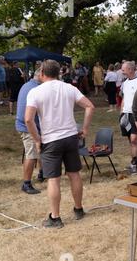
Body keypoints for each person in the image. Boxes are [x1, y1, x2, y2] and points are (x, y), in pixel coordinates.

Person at [25, 60, 95, 228]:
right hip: (70, 137)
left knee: (53, 179)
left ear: (42, 72)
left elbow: (28, 119)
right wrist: (84, 129)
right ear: (59, 72)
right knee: (74, 174)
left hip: (50, 140)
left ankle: (55, 218)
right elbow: (90, 106)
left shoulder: (35, 92)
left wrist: (36, 139)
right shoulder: (69, 88)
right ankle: (78, 209)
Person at [15, 69, 43, 194]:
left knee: (41, 150)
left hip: (28, 125)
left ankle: (42, 173)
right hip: (28, 127)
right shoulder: (36, 89)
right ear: (41, 76)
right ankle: (26, 184)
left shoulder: (27, 85)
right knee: (31, 156)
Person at [120, 61, 137, 174]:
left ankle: (136, 163)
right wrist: (121, 113)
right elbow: (124, 98)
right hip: (126, 114)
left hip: (136, 114)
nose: (122, 71)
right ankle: (135, 161)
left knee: (134, 139)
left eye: (123, 69)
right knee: (131, 140)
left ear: (130, 69)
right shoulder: (125, 83)